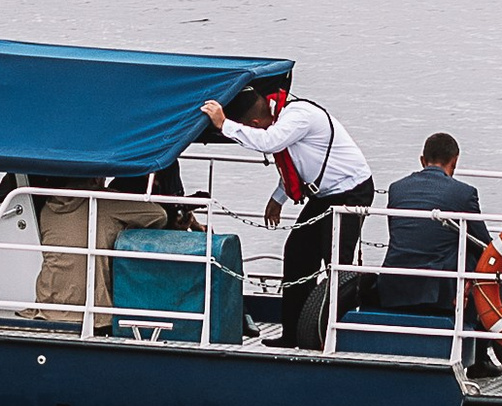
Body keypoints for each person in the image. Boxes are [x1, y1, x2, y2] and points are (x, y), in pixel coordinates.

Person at [201, 80, 373, 346]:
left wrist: (224, 124)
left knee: (337, 261)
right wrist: (278, 198)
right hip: (323, 195)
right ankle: (293, 333)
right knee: (297, 254)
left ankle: (342, 332)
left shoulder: (297, 115)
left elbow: (270, 142)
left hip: (351, 190)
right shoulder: (278, 118)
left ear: (256, 123)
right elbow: (297, 163)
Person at [379, 132, 486, 346]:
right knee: (477, 257)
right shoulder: (464, 193)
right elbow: (483, 243)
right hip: (439, 294)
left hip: (394, 284)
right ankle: (481, 356)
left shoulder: (397, 188)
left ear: (422, 160)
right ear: (454, 161)